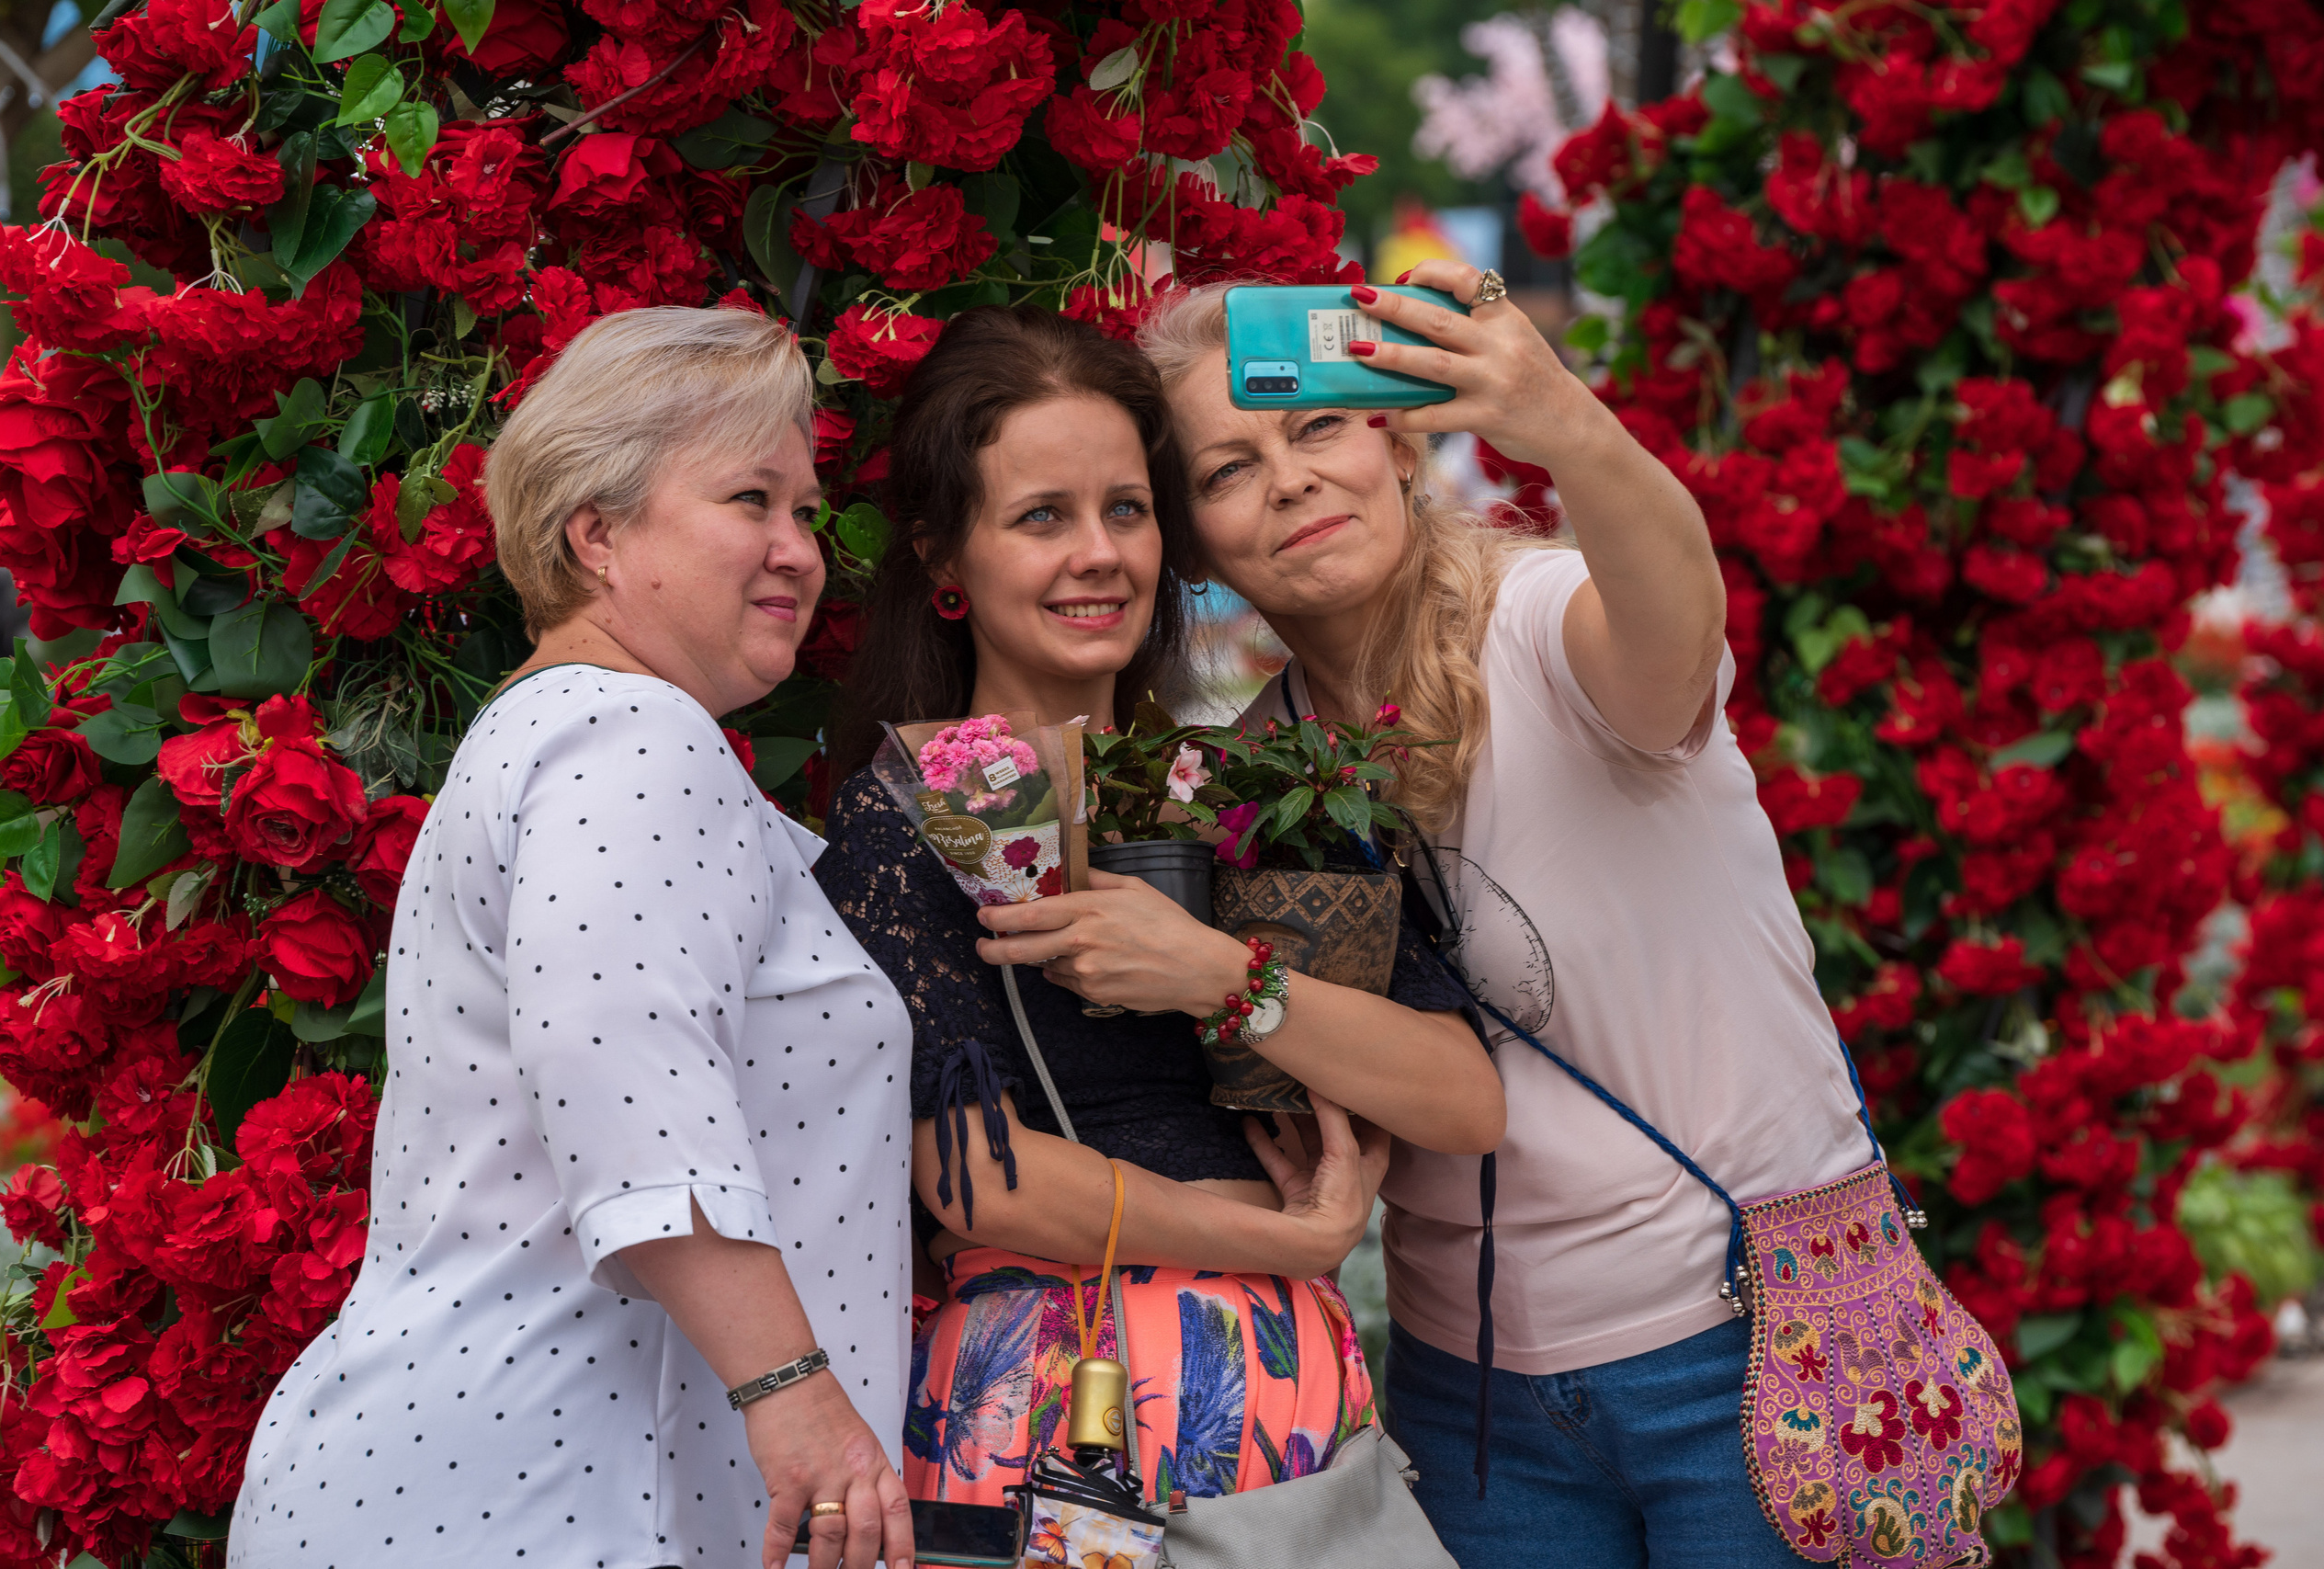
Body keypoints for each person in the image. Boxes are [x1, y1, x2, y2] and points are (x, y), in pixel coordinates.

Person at [1136, 269, 1880, 1566]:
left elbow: (1674, 635)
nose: (1292, 480)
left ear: (1395, 442)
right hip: (1476, 1400)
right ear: (1190, 543)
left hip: (1752, 1343)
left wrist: (1568, 426)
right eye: (1229, 468)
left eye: (1319, 426)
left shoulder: (1538, 622)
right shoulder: (1255, 774)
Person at [231, 307, 917, 1569]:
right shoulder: (634, 737)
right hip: (546, 1499)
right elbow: (631, 1085)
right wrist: (797, 1396)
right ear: (597, 536)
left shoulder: (562, 731)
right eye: (751, 500)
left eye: (807, 511)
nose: (799, 550)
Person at [811, 305, 1504, 1507]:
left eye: (1126, 510)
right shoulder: (911, 811)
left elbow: (1463, 1097)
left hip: (1281, 1396)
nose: (1100, 554)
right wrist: (1286, 1240)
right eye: (1043, 516)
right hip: (1046, 1406)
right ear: (944, 561)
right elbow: (978, 1181)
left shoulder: (1259, 786)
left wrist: (1221, 977)